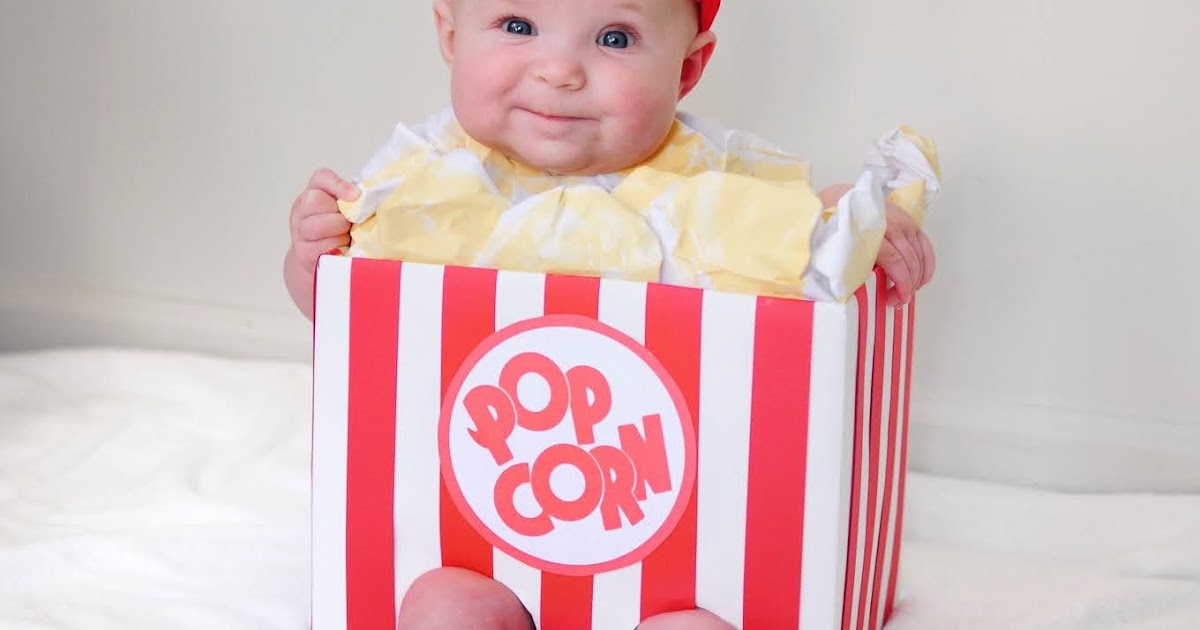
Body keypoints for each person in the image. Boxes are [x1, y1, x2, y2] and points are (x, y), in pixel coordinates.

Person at [285, 0, 935, 627]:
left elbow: (803, 257)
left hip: (686, 550)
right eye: (518, 24)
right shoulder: (418, 179)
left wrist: (852, 219)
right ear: (450, 33)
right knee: (443, 601)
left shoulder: (719, 180)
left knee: (697, 622)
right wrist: (315, 258)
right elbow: (353, 316)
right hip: (477, 531)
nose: (559, 69)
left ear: (687, 68)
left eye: (615, 38)